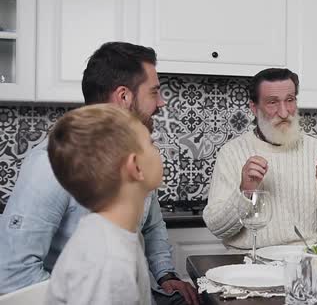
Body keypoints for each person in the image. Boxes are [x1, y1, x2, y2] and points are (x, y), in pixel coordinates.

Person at [0, 42, 198, 305]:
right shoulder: (49, 164)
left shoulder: (132, 157)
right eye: (155, 92)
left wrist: (166, 274)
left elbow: (152, 226)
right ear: (124, 97)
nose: (162, 102)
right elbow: (14, 274)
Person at [203, 68, 317, 248]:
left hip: (308, 258)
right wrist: (245, 191)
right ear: (254, 108)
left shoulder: (315, 148)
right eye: (272, 102)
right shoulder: (231, 152)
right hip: (249, 262)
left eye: (290, 100)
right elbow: (218, 228)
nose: (284, 113)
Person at [44, 104, 161, 304]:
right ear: (136, 167)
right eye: (151, 143)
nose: (158, 149)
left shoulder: (121, 236)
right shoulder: (109, 262)